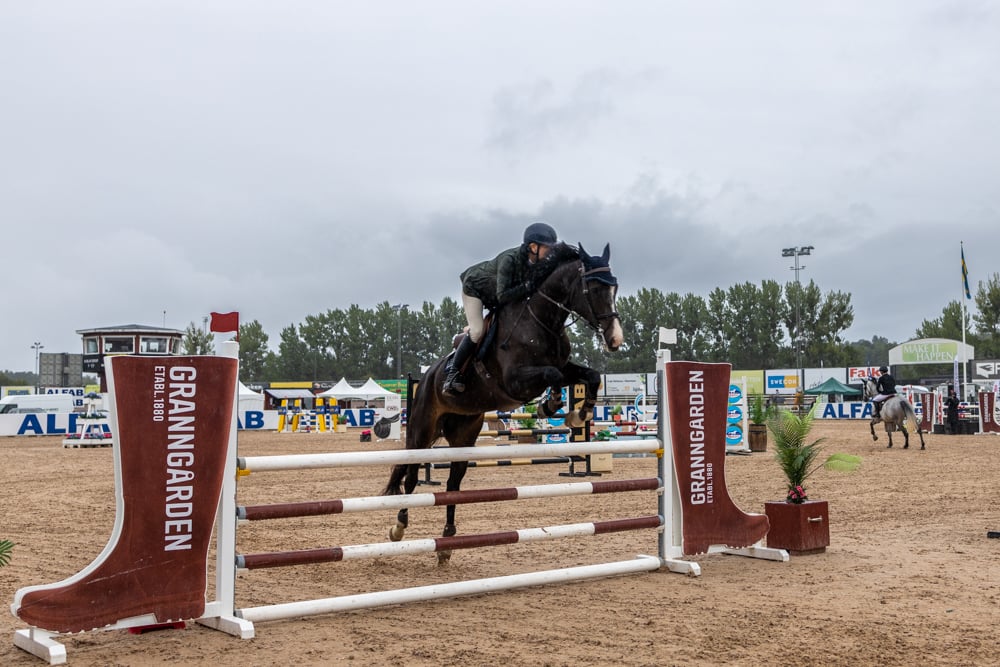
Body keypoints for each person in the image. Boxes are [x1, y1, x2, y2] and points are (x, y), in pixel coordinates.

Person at [442, 222, 559, 395]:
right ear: (533, 247)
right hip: (475, 289)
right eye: (547, 248)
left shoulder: (534, 264)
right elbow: (503, 295)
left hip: (497, 298)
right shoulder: (509, 260)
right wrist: (528, 286)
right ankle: (452, 375)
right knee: (476, 330)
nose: (550, 252)